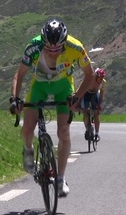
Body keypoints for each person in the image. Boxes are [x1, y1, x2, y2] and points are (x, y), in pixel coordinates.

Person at [10, 19, 94, 197]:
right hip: (39, 86)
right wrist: (15, 99)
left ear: (64, 43)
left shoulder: (76, 47)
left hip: (63, 86)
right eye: (49, 49)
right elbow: (19, 74)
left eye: (58, 49)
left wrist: (77, 97)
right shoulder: (33, 47)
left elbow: (89, 75)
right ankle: (28, 149)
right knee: (27, 129)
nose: (54, 52)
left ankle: (60, 179)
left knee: (64, 132)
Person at [80, 68, 106, 141]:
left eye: (102, 78)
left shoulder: (103, 82)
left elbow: (101, 94)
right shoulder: (90, 79)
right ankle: (88, 130)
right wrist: (79, 101)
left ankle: (97, 134)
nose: (101, 80)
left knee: (96, 113)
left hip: (95, 94)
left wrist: (100, 104)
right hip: (86, 93)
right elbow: (81, 89)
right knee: (85, 113)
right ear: (96, 77)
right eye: (99, 78)